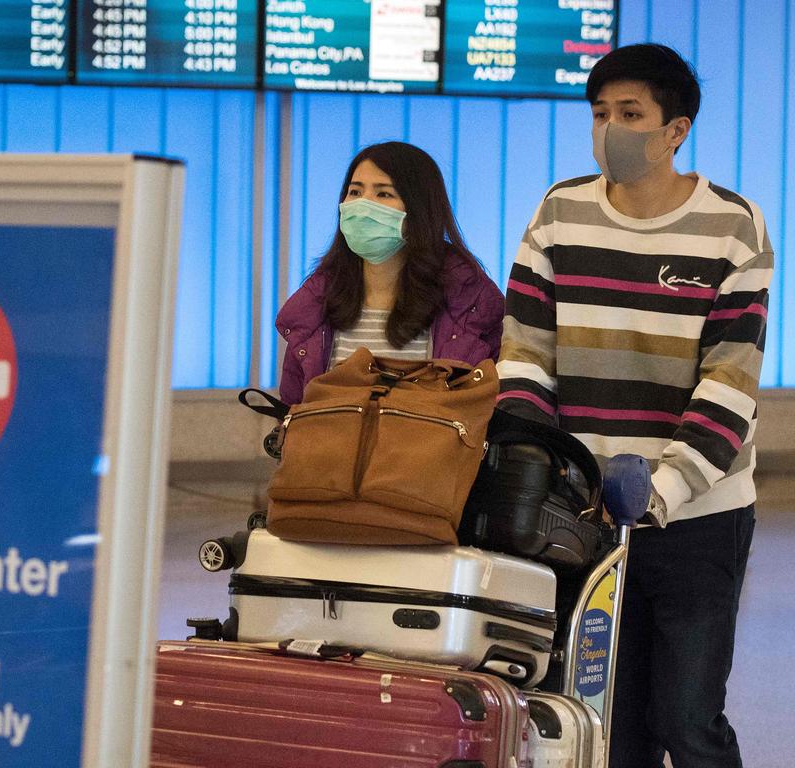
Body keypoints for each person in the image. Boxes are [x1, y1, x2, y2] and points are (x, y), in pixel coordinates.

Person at [496, 44, 772, 768]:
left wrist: (661, 490)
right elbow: (525, 353)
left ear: (675, 129)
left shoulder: (732, 226)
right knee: (605, 727)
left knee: (686, 719)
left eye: (629, 115)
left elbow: (730, 381)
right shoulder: (560, 213)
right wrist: (547, 475)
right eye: (599, 114)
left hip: (697, 518)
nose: (609, 130)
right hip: (583, 519)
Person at [275, 141, 504, 405]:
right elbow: (293, 407)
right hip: (329, 445)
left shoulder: (468, 303)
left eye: (383, 194)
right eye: (355, 192)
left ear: (419, 209)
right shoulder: (315, 302)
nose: (362, 206)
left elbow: (484, 408)